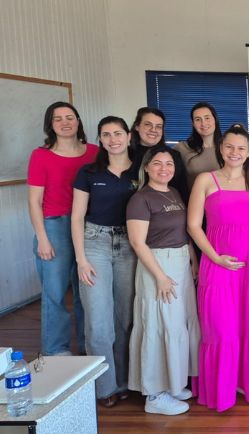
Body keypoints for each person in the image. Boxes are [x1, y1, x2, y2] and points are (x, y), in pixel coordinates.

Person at [187, 124, 249, 412]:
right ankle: (222, 389)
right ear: (221, 149)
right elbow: (193, 225)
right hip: (217, 266)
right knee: (221, 329)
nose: (234, 152)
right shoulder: (206, 179)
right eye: (229, 147)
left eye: (241, 148)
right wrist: (215, 257)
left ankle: (248, 383)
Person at [126, 145, 200, 416]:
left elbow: (183, 231)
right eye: (157, 163)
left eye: (169, 163)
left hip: (180, 262)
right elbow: (137, 242)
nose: (164, 168)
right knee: (159, 324)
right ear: (146, 167)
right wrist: (160, 276)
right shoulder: (140, 199)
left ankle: (173, 383)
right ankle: (155, 395)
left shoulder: (175, 193)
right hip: (157, 264)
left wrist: (192, 258)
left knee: (178, 323)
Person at [71, 116, 138, 407]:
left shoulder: (141, 169)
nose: (113, 139)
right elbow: (77, 217)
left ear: (129, 136)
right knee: (98, 322)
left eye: (118, 133)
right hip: (94, 243)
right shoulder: (88, 172)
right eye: (106, 134)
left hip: (130, 245)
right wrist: (81, 259)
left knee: (126, 318)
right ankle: (104, 387)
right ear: (99, 139)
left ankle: (124, 382)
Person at [27, 101, 98, 356]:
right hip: (54, 227)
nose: (65, 123)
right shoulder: (41, 155)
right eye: (58, 119)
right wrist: (42, 238)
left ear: (78, 121)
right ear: (51, 125)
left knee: (86, 291)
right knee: (55, 292)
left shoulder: (94, 152)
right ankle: (56, 350)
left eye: (70, 117)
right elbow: (34, 202)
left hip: (88, 226)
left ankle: (87, 345)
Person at [129, 107, 189, 202]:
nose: (153, 130)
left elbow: (182, 191)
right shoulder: (126, 154)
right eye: (148, 124)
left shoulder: (173, 156)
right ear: (137, 126)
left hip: (167, 208)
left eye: (158, 126)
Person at [174, 102, 222, 192]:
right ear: (193, 123)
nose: (203, 123)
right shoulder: (182, 148)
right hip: (193, 200)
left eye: (207, 118)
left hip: (224, 200)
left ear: (215, 119)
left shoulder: (227, 148)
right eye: (198, 119)